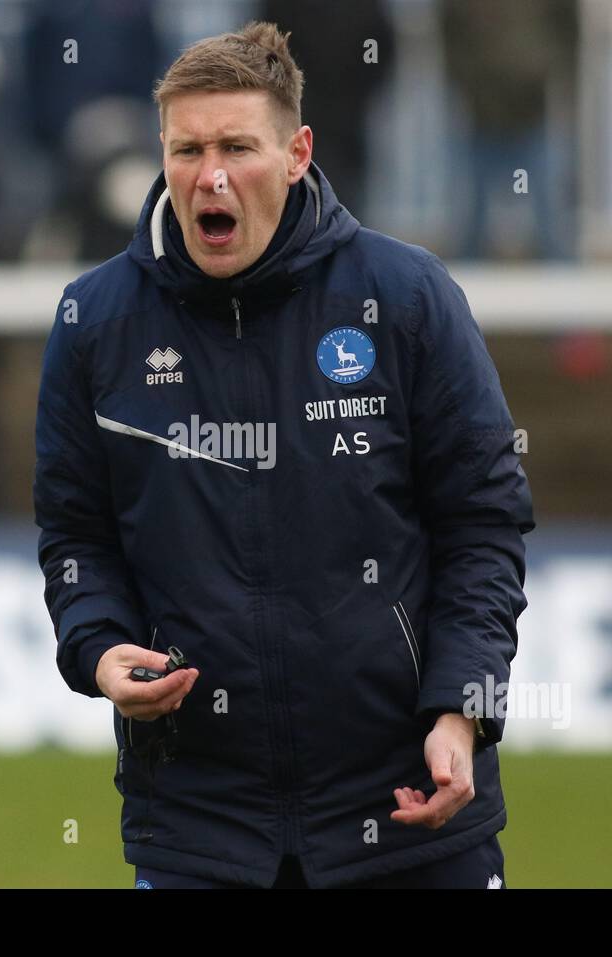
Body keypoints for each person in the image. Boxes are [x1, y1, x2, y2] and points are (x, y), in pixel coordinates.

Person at [34, 21, 534, 888]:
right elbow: (76, 531)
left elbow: (484, 527)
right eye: (187, 149)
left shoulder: (405, 297)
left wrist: (462, 710)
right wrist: (99, 645)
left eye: (237, 146)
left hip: (410, 809)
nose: (210, 175)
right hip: (200, 827)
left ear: (298, 152)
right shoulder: (95, 322)